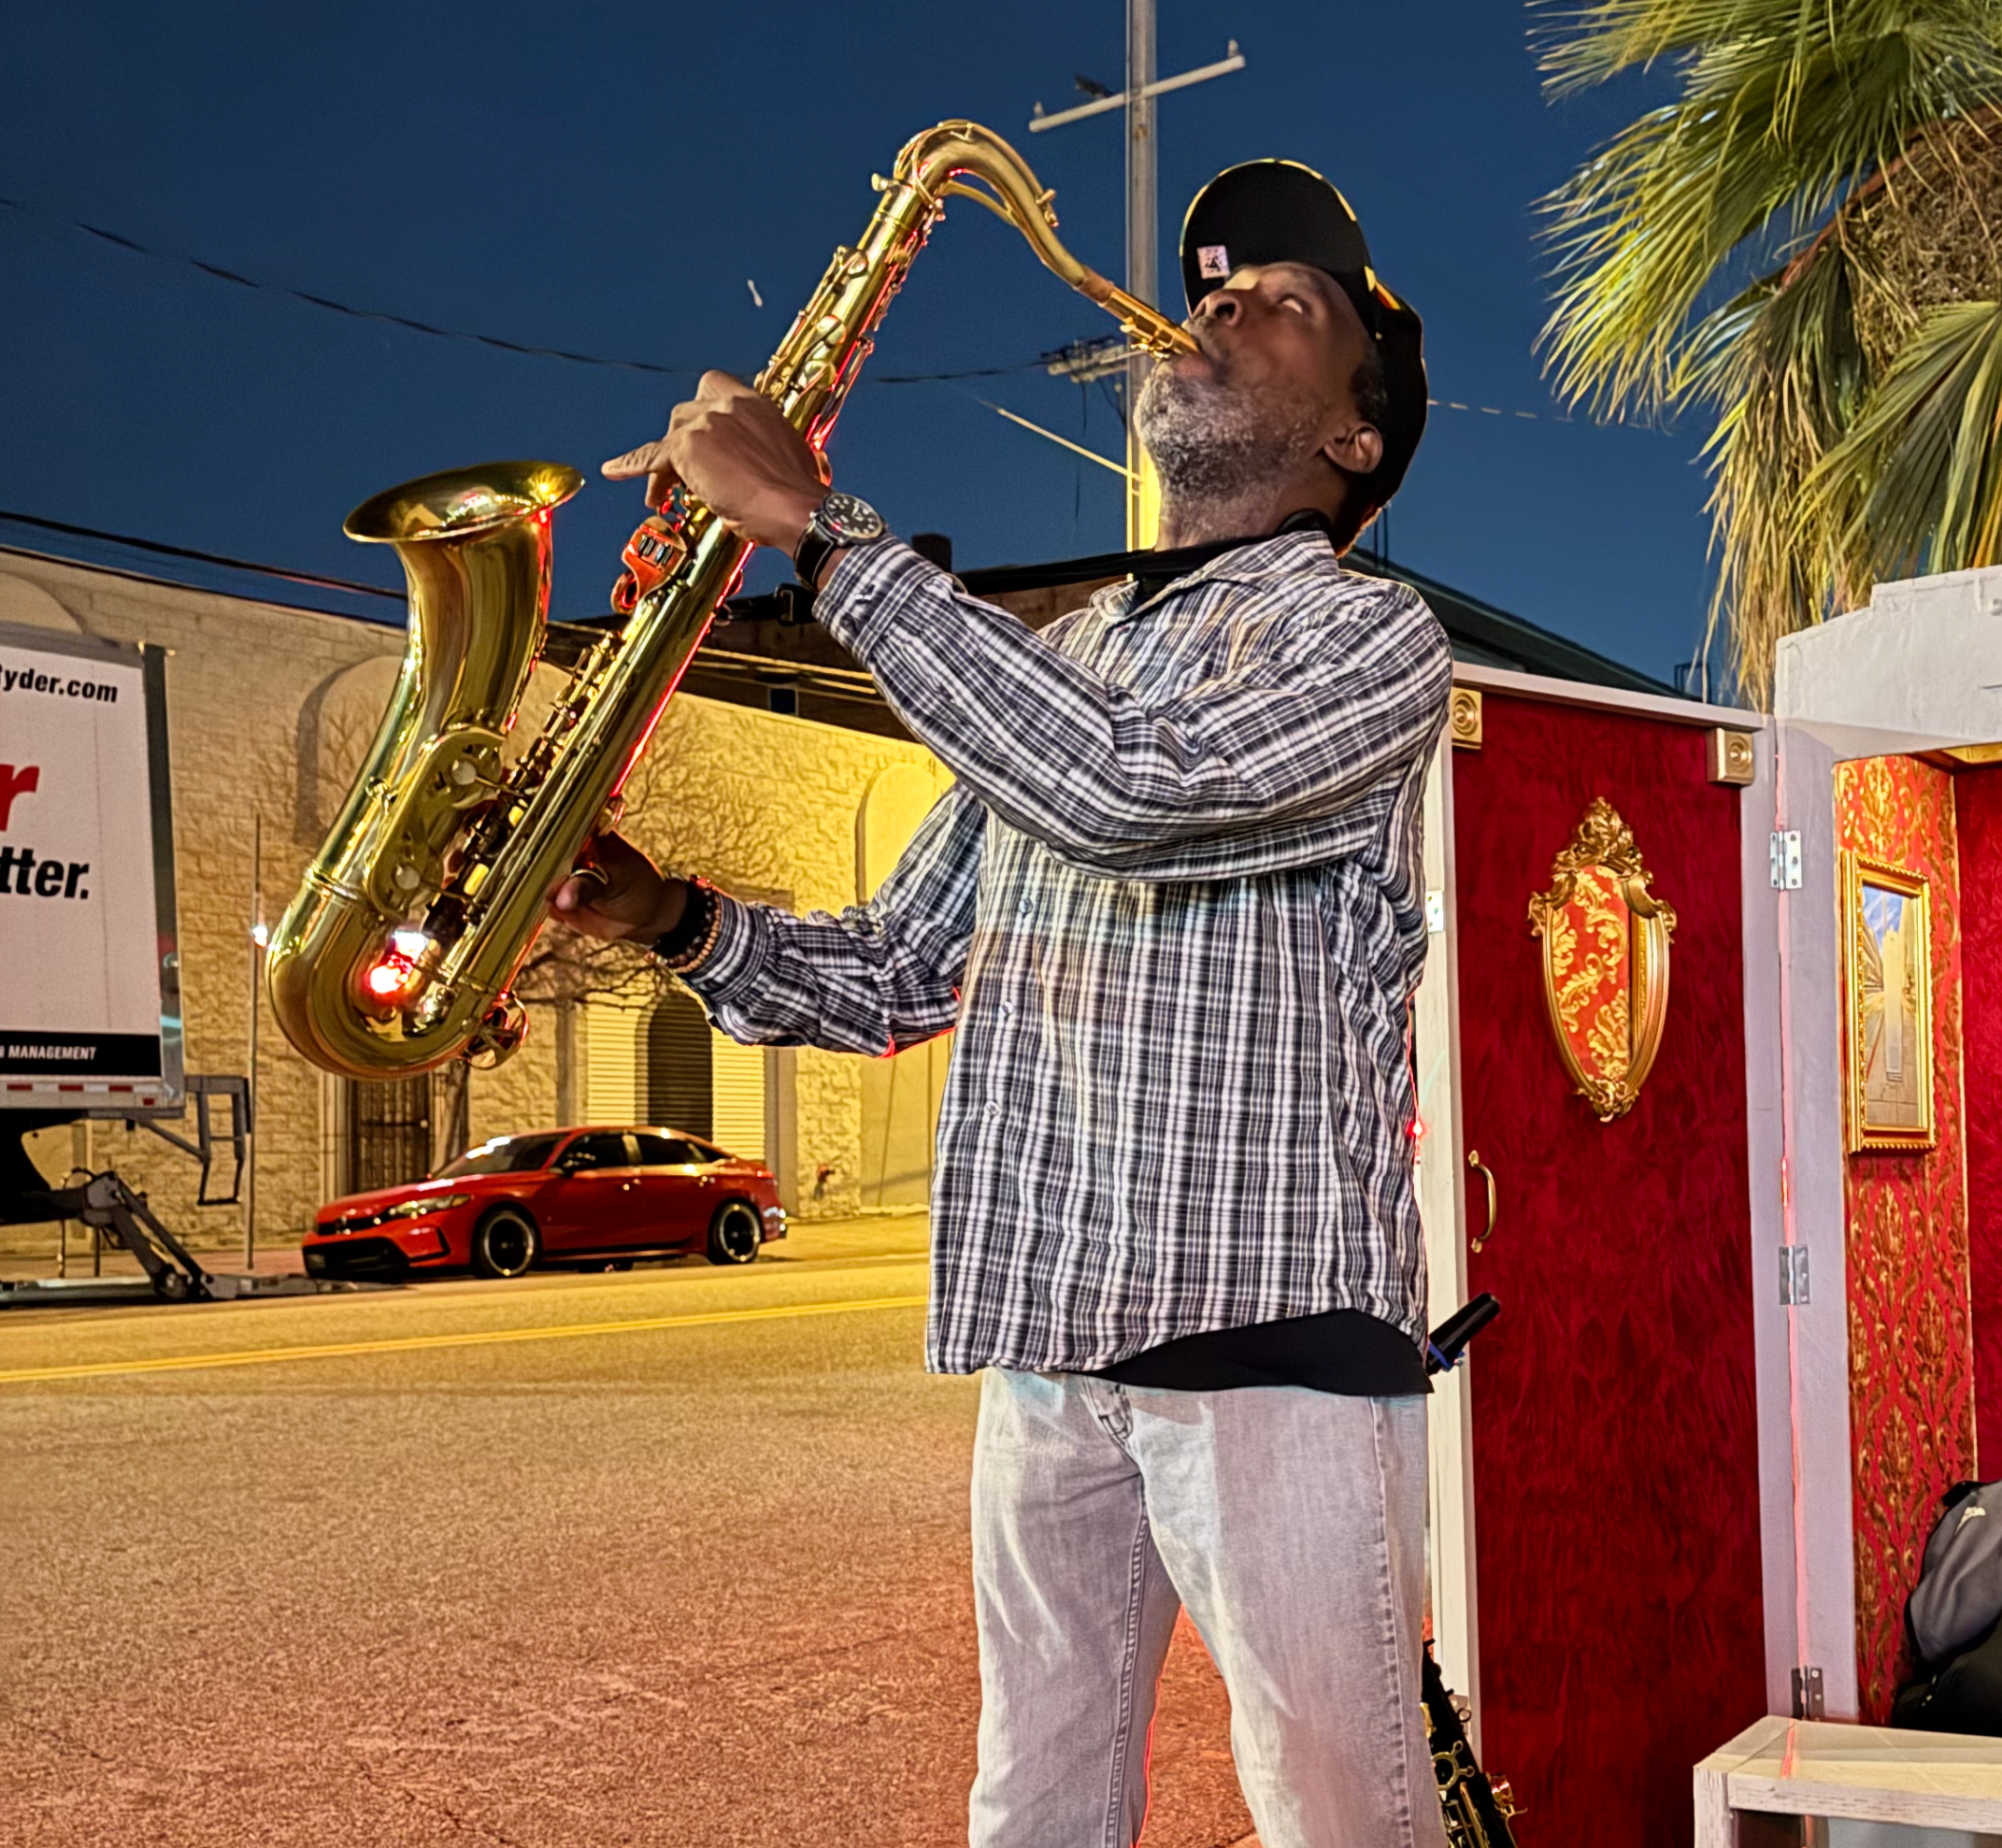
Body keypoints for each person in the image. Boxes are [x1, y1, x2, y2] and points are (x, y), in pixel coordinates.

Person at [553, 162, 1451, 1848]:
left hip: (1274, 1354)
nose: (1226, 300)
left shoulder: (1369, 635)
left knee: (1342, 1816)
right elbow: (899, 970)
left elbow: (1129, 791)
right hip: (1048, 1343)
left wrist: (825, 536)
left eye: (1292, 303)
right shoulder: (1071, 650)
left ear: (1352, 443)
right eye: (1219, 285)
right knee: (1030, 1802)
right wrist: (666, 910)